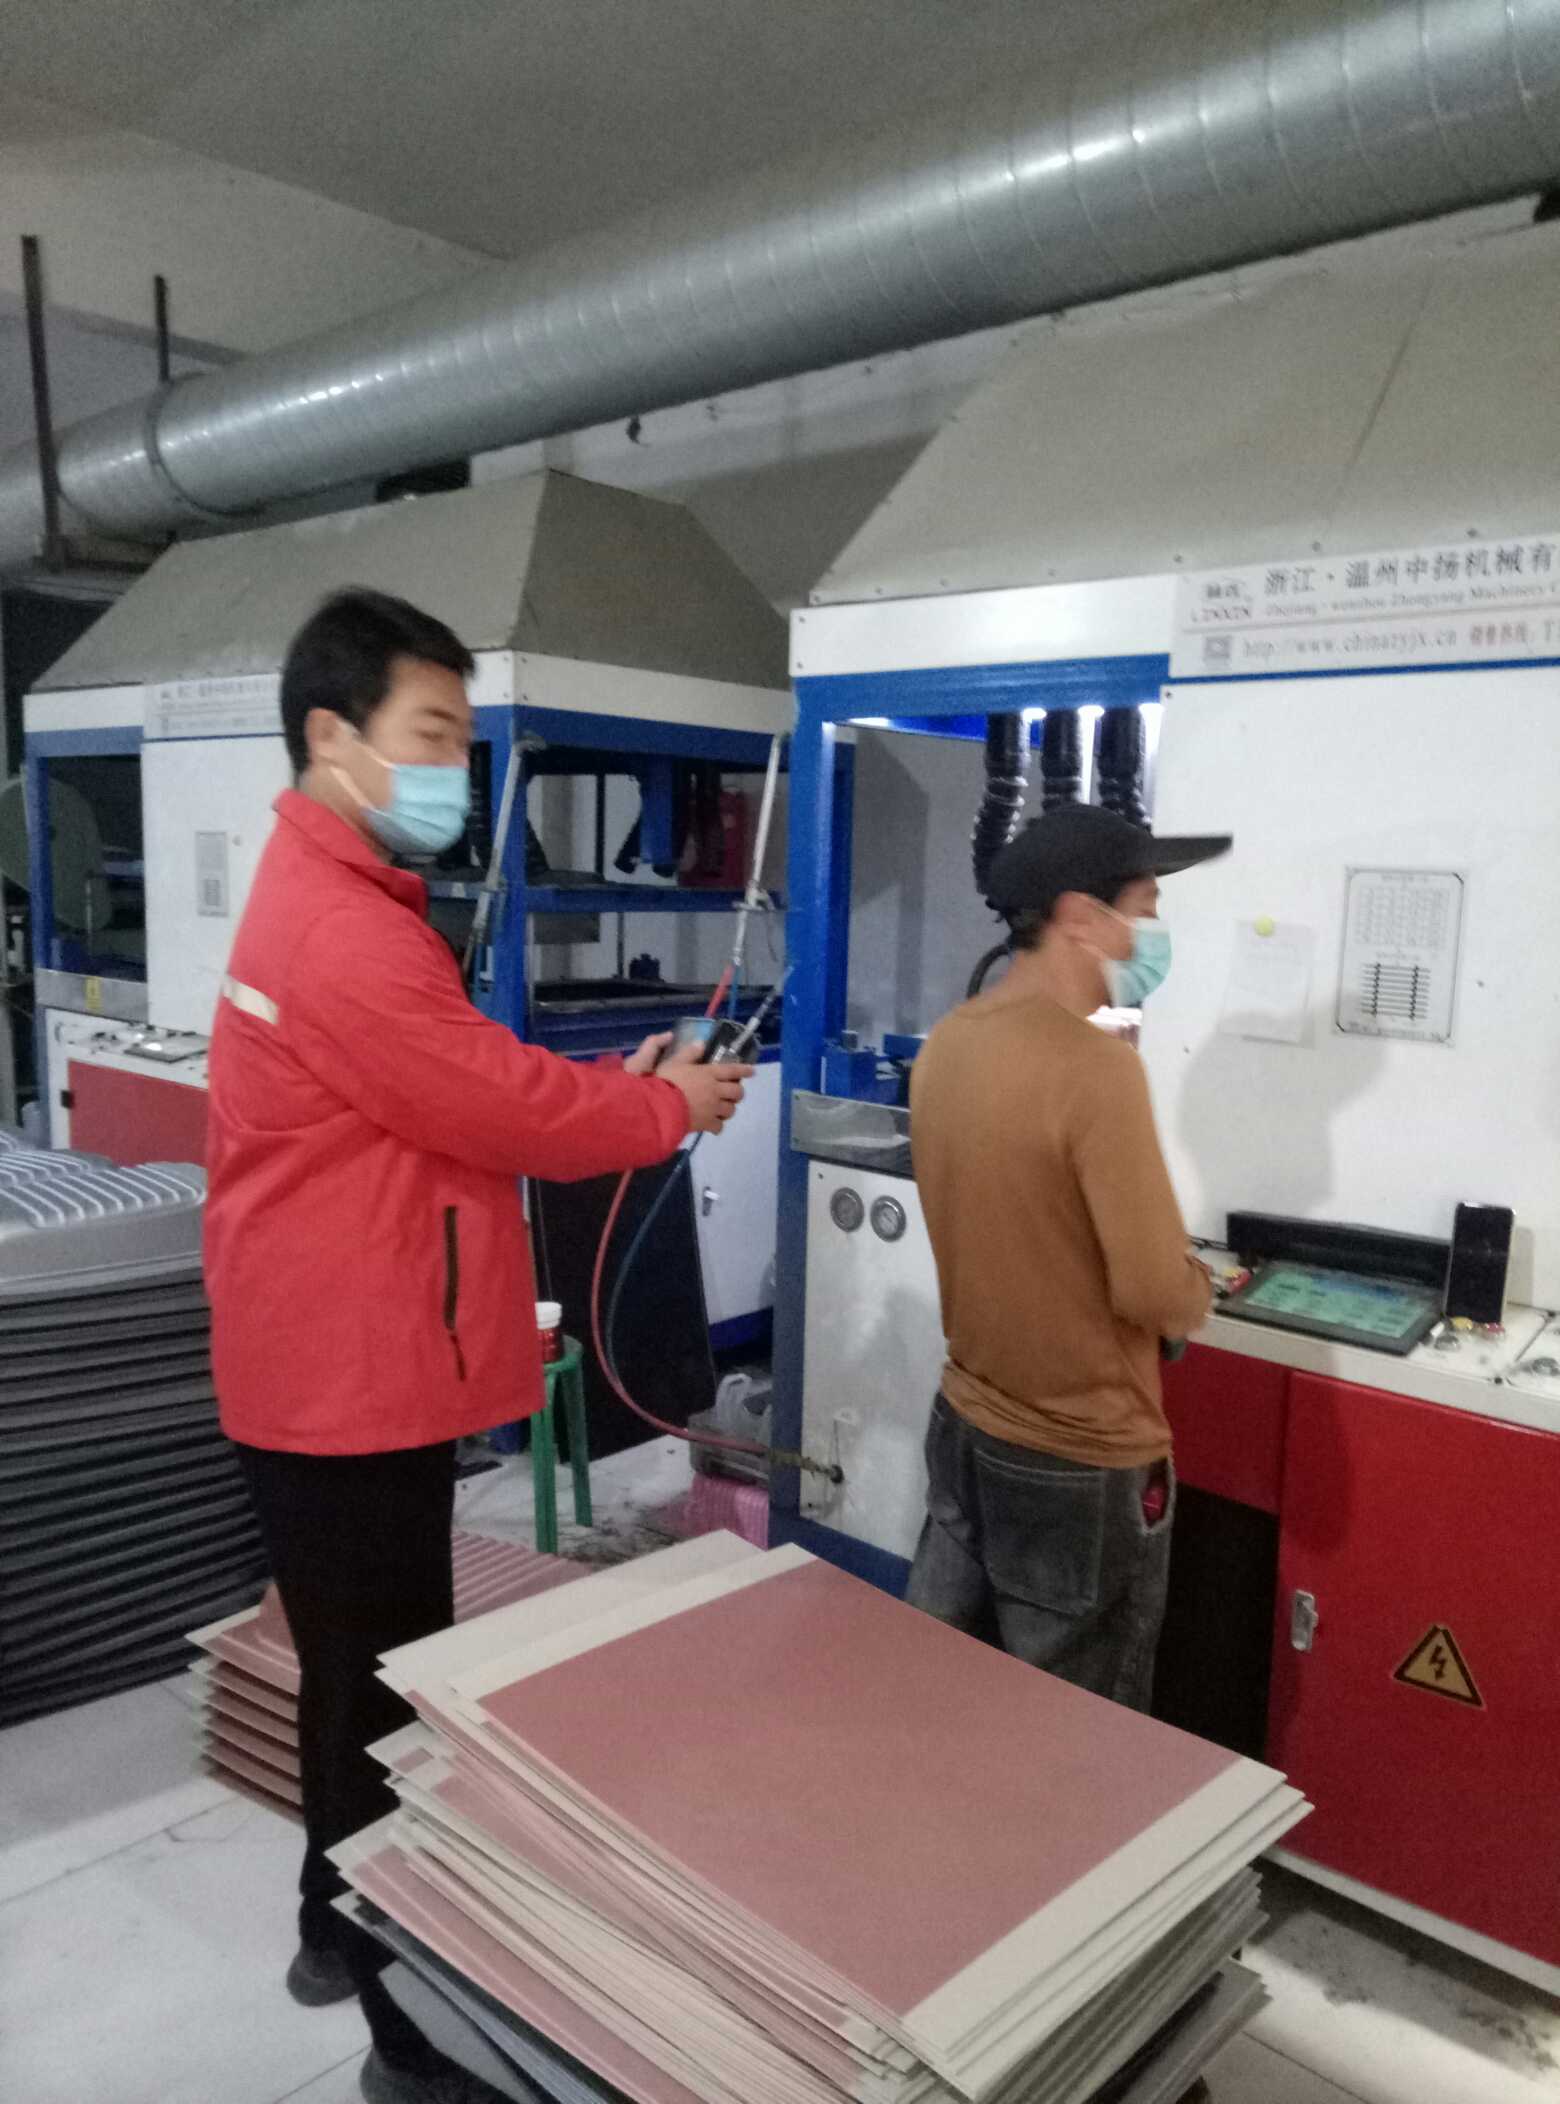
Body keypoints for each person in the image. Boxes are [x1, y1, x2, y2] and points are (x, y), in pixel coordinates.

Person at [204, 587, 750, 2104]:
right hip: (346, 1379)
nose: (456, 769)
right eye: (433, 735)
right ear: (334, 737)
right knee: (383, 1701)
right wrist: (664, 1108)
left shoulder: (344, 899)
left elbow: (451, 1083)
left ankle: (330, 1934)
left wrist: (620, 1085)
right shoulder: (341, 929)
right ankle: (406, 2037)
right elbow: (496, 1106)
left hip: (338, 1358)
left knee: (353, 1678)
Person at [904, 800, 1230, 1714]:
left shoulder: (949, 1042)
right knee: (1076, 1739)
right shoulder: (1097, 1070)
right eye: (1145, 908)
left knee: (945, 1697)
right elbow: (1153, 1288)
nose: (1151, 934)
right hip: (1081, 1463)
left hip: (967, 1424)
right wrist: (1199, 1288)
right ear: (1081, 917)